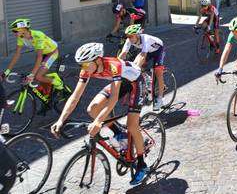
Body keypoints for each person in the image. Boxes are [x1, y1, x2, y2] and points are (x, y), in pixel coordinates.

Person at [50, 42, 149, 186]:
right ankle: (119, 133)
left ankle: (141, 163)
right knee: (93, 108)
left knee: (132, 125)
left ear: (97, 60)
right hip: (121, 82)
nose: (83, 68)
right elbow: (75, 97)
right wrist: (60, 120)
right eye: (81, 65)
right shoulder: (86, 69)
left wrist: (98, 122)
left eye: (85, 64)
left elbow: (114, 98)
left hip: (136, 83)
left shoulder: (114, 65)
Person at [1, 19, 62, 91]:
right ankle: (48, 80)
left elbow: (39, 57)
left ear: (23, 29)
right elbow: (17, 54)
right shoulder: (21, 37)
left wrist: (32, 75)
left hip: (52, 53)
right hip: (42, 54)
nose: (13, 33)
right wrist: (7, 71)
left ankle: (58, 83)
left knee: (37, 77)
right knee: (36, 73)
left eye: (15, 31)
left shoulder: (38, 35)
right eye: (13, 31)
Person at [118, 25, 166, 111]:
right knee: (134, 64)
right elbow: (123, 54)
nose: (129, 38)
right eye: (127, 36)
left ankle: (160, 99)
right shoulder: (129, 40)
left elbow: (143, 56)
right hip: (148, 51)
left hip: (158, 50)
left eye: (131, 36)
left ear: (137, 35)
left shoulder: (145, 39)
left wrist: (135, 70)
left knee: (158, 71)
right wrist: (116, 65)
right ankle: (148, 80)